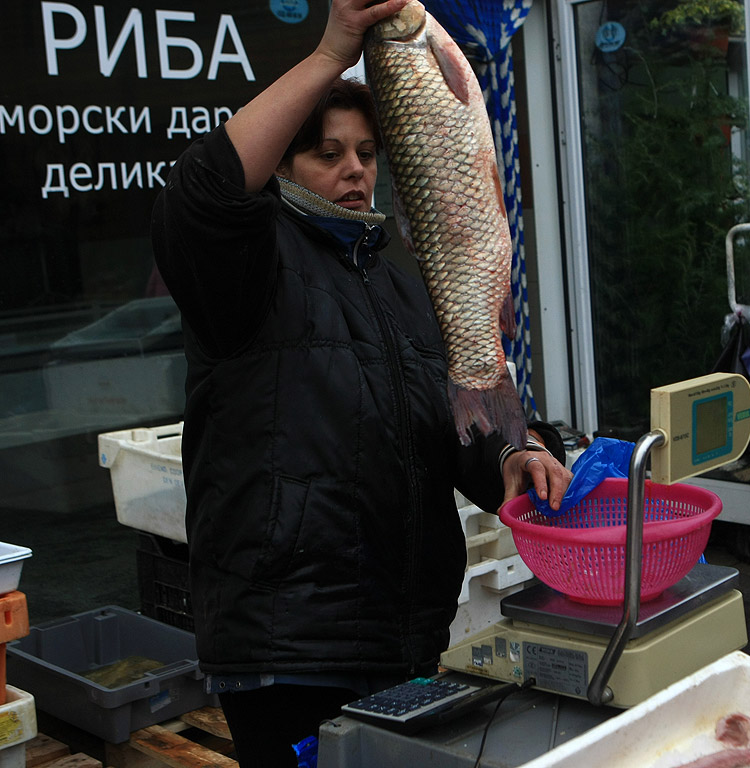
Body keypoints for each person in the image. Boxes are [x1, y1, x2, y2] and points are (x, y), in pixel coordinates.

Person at [150, 1, 572, 765]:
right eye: (328, 153)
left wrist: (515, 453)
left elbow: (456, 425)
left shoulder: (402, 286)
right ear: (281, 164)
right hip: (289, 649)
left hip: (401, 636)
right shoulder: (247, 272)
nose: (356, 170)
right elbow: (202, 194)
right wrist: (331, 51)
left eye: (369, 152)